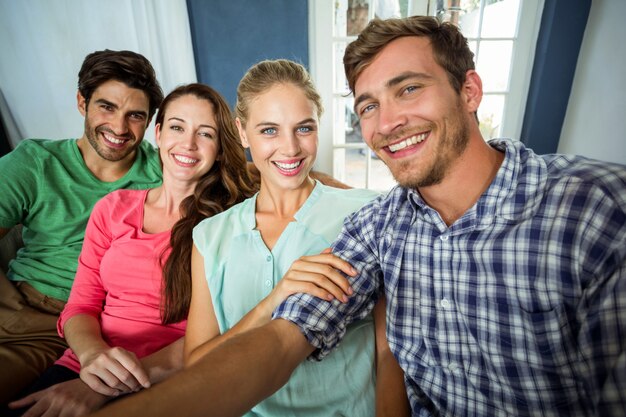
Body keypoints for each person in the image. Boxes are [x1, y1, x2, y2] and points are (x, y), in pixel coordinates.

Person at [88, 15, 626, 417]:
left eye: (409, 88)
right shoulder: (380, 226)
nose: (388, 121)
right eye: (368, 106)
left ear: (470, 91)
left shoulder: (595, 207)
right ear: (247, 138)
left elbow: (385, 354)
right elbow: (283, 339)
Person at [4, 83, 256, 417]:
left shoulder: (232, 223)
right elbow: (82, 304)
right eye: (177, 127)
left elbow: (224, 330)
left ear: (221, 148)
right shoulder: (113, 207)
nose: (188, 144)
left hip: (168, 375)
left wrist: (106, 385)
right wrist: (93, 356)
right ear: (159, 133)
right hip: (86, 363)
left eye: (206, 134)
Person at [185, 59, 408, 417]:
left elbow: (390, 348)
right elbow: (196, 367)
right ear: (242, 133)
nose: (290, 149)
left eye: (303, 128)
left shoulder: (367, 214)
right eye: (269, 131)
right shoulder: (210, 237)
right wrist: (273, 300)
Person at [0, 49, 164, 404]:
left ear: (150, 121)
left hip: (60, 323)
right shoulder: (35, 162)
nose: (119, 128)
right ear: (81, 102)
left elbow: (241, 177)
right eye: (107, 107)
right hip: (12, 297)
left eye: (135, 115)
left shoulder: (164, 173)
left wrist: (311, 180)